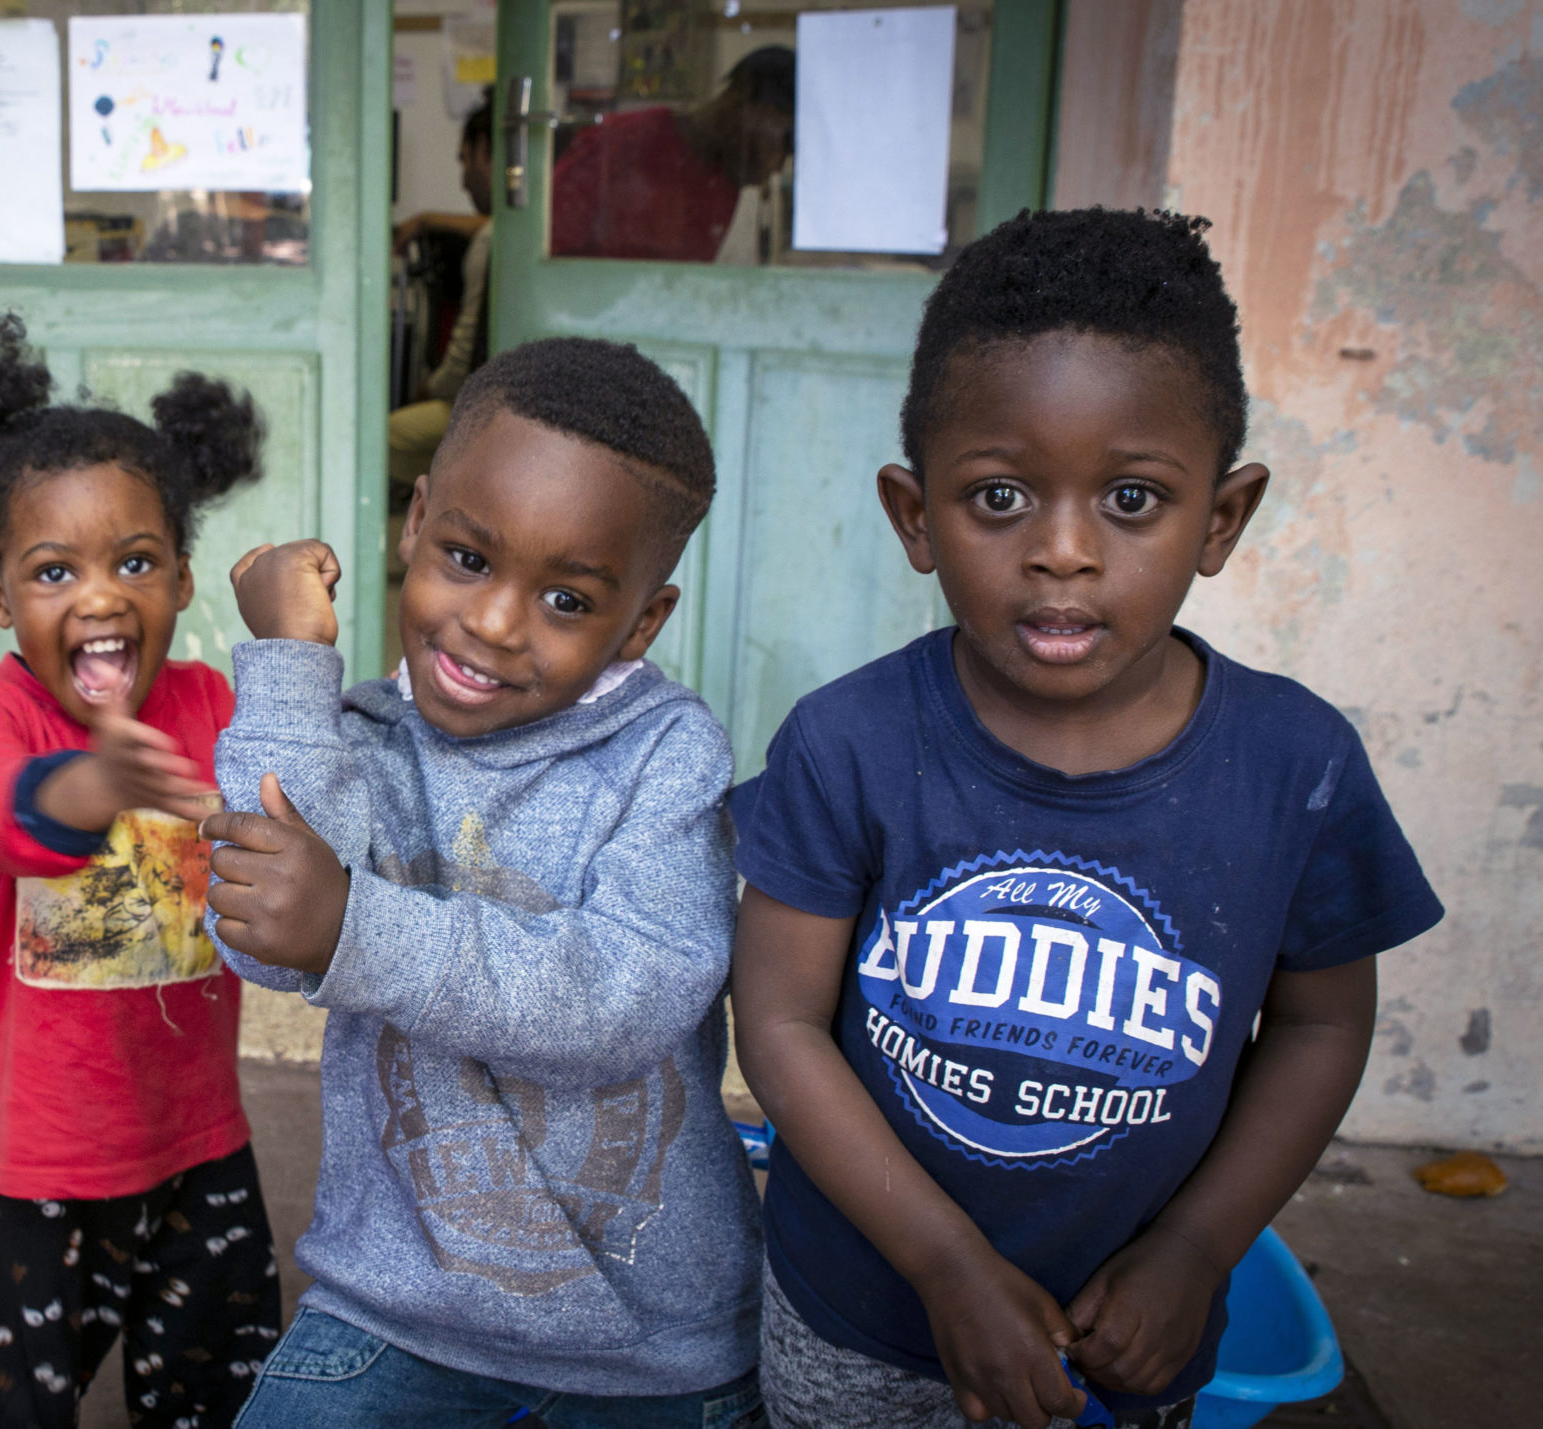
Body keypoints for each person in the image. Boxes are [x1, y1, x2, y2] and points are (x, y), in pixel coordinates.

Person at [728, 209, 1444, 1429]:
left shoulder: (1295, 765)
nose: (1062, 552)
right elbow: (782, 1020)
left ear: (1220, 519)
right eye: (999, 495)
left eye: (1130, 497)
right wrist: (945, 1262)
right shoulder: (846, 743)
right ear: (914, 516)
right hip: (857, 1313)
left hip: (1130, 1336)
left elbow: (1322, 1026)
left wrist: (1200, 1247)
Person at [199, 339, 765, 1428]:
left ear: (641, 621)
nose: (496, 622)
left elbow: (624, 997)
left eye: (564, 597)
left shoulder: (666, 755)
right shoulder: (355, 733)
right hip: (389, 1315)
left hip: (647, 1356)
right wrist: (286, 665)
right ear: (416, 522)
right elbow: (260, 932)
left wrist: (354, 927)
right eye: (466, 558)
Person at [0, 313, 283, 1429]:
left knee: (218, 1394)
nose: (101, 595)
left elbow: (276, 821)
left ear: (179, 579)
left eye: (134, 562)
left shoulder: (209, 702)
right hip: (46, 1158)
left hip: (202, 1134)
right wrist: (92, 781)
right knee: (16, 1408)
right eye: (53, 570)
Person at [549, 46, 794, 263]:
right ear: (744, 103)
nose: (776, 167)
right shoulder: (621, 142)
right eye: (785, 142)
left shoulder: (723, 184)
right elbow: (539, 250)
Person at [389, 102, 498, 493]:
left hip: (486, 407)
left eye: (466, 160)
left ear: (486, 149)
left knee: (384, 441)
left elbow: (464, 357)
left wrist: (429, 388)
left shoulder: (489, 241)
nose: (464, 180)